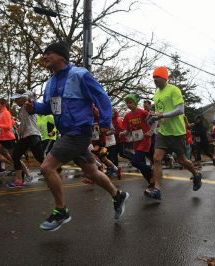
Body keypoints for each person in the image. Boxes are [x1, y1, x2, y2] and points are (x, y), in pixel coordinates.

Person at [25, 41, 129, 231]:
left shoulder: (79, 74)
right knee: (92, 172)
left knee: (47, 168)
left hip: (79, 131)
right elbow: (48, 107)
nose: (45, 56)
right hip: (67, 133)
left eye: (49, 53)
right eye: (44, 53)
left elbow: (102, 97)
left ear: (62, 56)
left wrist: (106, 123)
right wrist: (34, 107)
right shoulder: (51, 83)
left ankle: (61, 211)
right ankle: (118, 195)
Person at [145, 66, 202, 200]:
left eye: (157, 77)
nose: (155, 80)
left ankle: (196, 174)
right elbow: (160, 112)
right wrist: (152, 117)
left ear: (164, 77)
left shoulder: (174, 90)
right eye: (153, 78)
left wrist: (160, 115)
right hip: (163, 132)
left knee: (181, 160)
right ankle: (157, 190)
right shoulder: (156, 94)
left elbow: (180, 110)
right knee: (157, 158)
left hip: (176, 132)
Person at [6, 90, 44, 188]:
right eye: (14, 99)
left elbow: (32, 95)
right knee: (15, 156)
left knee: (40, 158)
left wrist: (23, 95)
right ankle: (19, 180)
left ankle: (54, 171)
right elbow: (23, 124)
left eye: (16, 99)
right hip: (24, 137)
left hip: (33, 135)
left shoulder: (29, 105)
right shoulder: (20, 110)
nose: (15, 101)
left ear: (21, 98)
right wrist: (19, 131)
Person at [120, 93, 155, 186]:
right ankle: (151, 181)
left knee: (135, 162)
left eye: (131, 102)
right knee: (141, 163)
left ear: (135, 103)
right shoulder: (127, 116)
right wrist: (123, 133)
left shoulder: (143, 112)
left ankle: (151, 172)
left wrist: (151, 132)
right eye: (127, 103)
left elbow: (154, 121)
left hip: (145, 140)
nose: (129, 105)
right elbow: (127, 130)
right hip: (136, 141)